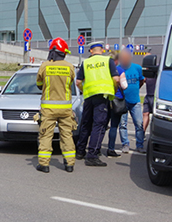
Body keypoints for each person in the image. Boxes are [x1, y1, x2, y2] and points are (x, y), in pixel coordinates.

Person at [35, 37, 76, 173]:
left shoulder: (45, 66)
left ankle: (44, 165)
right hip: (66, 109)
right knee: (67, 135)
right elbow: (69, 85)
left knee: (46, 136)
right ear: (63, 52)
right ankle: (69, 164)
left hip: (48, 109)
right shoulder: (70, 67)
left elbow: (39, 85)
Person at [75, 42, 119, 166]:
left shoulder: (86, 63)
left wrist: (85, 91)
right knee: (99, 125)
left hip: (89, 97)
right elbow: (116, 79)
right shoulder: (108, 61)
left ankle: (80, 151)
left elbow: (78, 82)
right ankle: (92, 155)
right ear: (102, 50)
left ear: (91, 51)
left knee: (86, 123)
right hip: (102, 97)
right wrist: (114, 90)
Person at [114, 49, 146, 154]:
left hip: (135, 101)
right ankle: (125, 144)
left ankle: (140, 145)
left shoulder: (137, 68)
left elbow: (142, 81)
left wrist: (135, 90)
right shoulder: (117, 69)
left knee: (139, 124)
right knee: (123, 124)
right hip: (122, 101)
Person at [142, 58, 156, 135]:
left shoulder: (156, 72)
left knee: (155, 116)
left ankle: (154, 132)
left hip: (155, 96)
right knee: (145, 113)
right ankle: (142, 132)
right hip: (148, 95)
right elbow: (142, 80)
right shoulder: (146, 73)